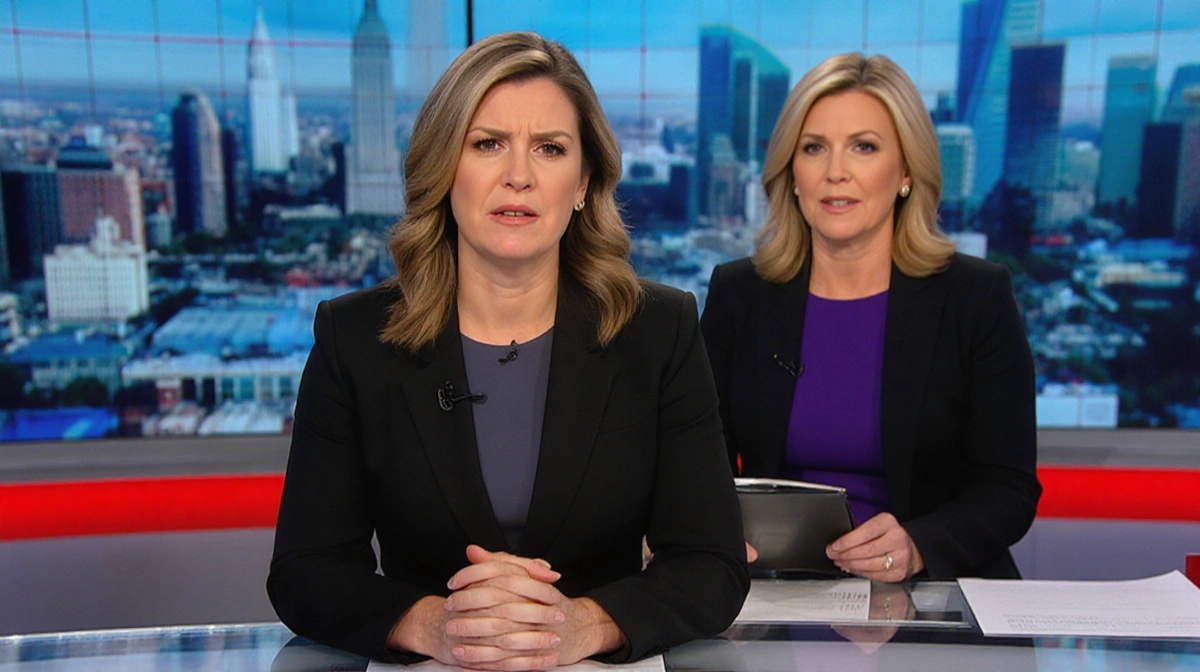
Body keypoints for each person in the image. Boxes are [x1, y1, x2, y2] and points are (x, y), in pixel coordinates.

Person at [268, 32, 748, 670]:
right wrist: (435, 625)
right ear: (445, 169)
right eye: (487, 143)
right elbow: (306, 569)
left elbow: (711, 564)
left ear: (582, 183)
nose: (518, 175)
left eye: (549, 149)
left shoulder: (659, 330)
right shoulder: (354, 339)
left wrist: (579, 626)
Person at [701, 52, 1041, 582]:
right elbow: (700, 464)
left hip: (932, 595)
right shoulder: (739, 294)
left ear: (906, 170)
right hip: (776, 590)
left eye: (864, 147)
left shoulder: (976, 297)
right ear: (792, 173)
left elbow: (1009, 487)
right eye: (814, 148)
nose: (836, 172)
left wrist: (919, 545)